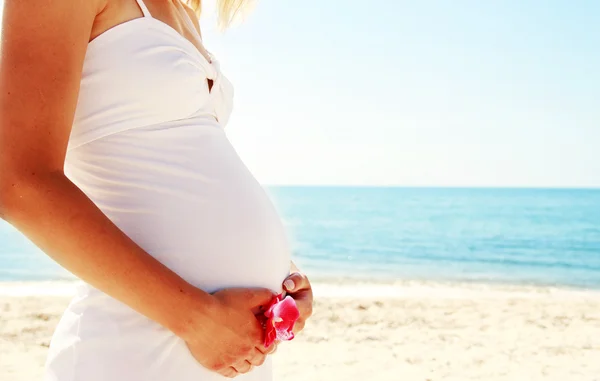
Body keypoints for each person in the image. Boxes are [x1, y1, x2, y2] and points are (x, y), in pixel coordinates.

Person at [0, 0, 313, 379]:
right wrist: (197, 320)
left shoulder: (182, 10)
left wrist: (281, 277)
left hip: (227, 342)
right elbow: (18, 182)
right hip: (141, 346)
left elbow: (169, 174)